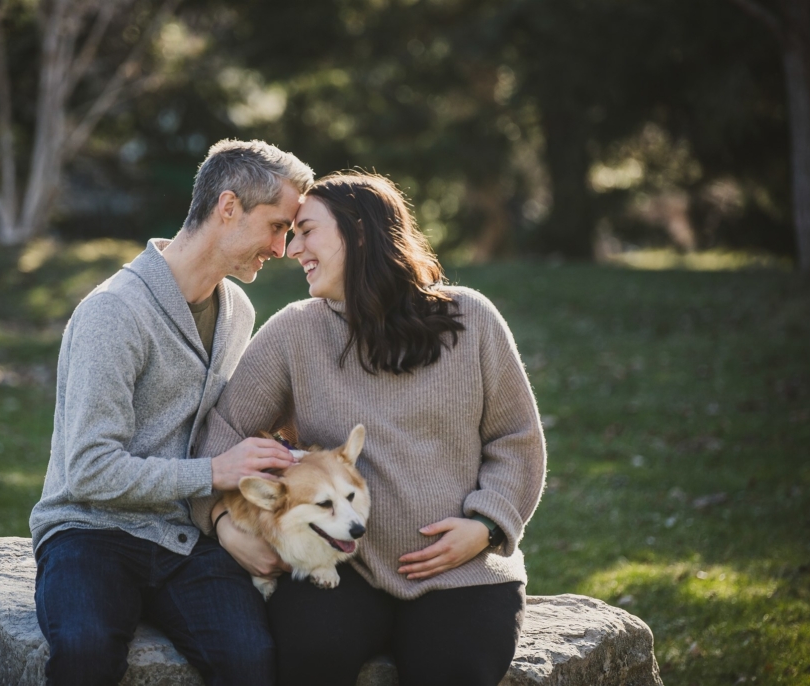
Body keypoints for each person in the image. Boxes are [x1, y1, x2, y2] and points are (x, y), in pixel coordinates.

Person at [192, 172, 546, 686]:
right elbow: (220, 437)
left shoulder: (471, 319)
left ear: (358, 233)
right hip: (337, 570)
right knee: (308, 660)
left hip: (461, 572)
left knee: (453, 674)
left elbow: (516, 438)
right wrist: (223, 522)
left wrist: (487, 527)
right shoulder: (295, 330)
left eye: (307, 230)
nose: (293, 249)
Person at [29, 139, 314, 686]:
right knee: (85, 653)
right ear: (228, 208)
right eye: (278, 226)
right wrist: (213, 473)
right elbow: (89, 470)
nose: (282, 248)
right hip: (90, 532)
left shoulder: (237, 311)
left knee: (252, 661)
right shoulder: (113, 312)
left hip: (184, 539)